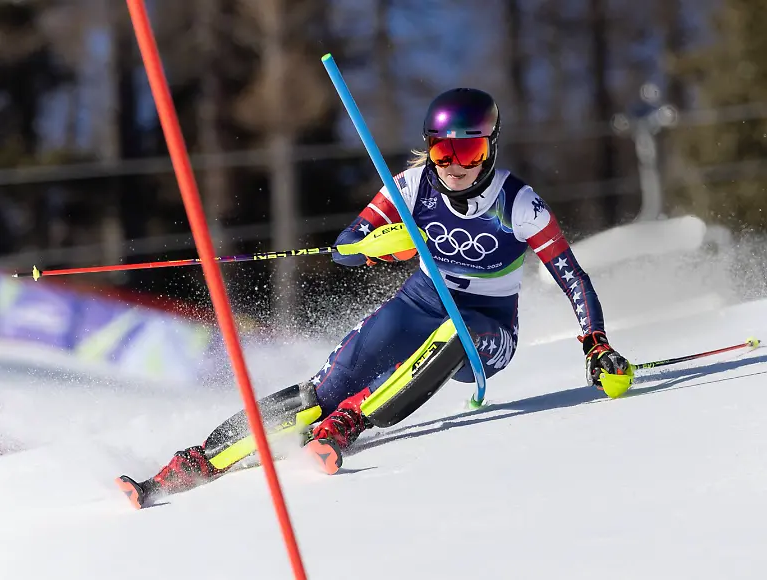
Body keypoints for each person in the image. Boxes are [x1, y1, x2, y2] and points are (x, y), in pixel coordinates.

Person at [116, 88, 630, 508]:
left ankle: (351, 422)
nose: (453, 166)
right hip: (419, 302)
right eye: (441, 150)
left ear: (491, 147)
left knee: (457, 333)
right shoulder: (410, 186)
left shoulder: (519, 203)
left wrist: (596, 343)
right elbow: (345, 247)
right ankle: (198, 461)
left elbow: (571, 275)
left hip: (487, 327)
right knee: (320, 392)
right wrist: (378, 248)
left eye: (467, 151)